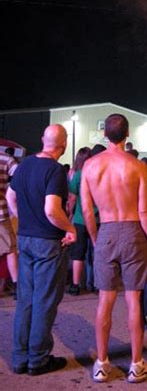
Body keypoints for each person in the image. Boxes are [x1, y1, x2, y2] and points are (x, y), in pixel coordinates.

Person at [81, 114, 147, 383]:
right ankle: (136, 364)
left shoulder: (90, 167)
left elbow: (86, 211)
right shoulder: (137, 166)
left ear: (105, 134)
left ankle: (102, 364)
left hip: (106, 230)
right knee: (133, 299)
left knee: (105, 299)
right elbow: (143, 210)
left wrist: (95, 238)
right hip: (132, 230)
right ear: (127, 135)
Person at [6, 125, 76, 376]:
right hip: (47, 242)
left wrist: (23, 218)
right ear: (64, 144)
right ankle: (38, 359)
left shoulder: (24, 165)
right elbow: (51, 210)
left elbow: (10, 196)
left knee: (26, 300)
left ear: (42, 140)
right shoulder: (55, 170)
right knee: (44, 301)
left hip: (25, 239)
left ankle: (19, 357)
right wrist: (71, 229)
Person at [66, 146, 92, 295]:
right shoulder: (98, 173)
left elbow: (72, 198)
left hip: (80, 219)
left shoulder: (78, 176)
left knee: (78, 254)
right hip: (98, 219)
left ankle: (75, 285)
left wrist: (69, 215)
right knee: (97, 254)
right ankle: (97, 283)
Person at [0, 149, 19, 299]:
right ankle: (17, 285)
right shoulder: (6, 158)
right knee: (11, 249)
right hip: (2, 213)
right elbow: (18, 176)